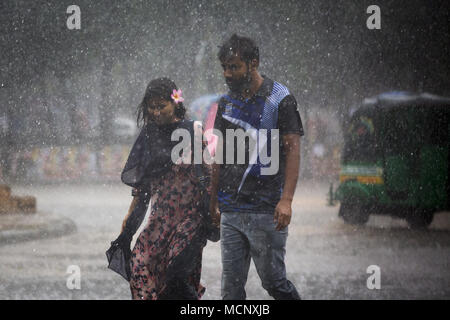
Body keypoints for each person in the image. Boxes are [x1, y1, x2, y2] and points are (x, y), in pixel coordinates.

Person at [209, 34, 304, 300]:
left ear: (254, 63)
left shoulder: (279, 98)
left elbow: (293, 151)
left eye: (234, 66)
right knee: (230, 292)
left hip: (266, 208)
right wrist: (213, 201)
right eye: (224, 67)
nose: (228, 73)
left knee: (274, 283)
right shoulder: (226, 103)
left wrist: (286, 200)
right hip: (230, 209)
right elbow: (219, 154)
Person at [121, 77, 211, 300]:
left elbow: (210, 177)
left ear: (175, 103)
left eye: (162, 106)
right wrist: (130, 217)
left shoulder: (193, 131)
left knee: (176, 276)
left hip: (190, 220)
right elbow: (143, 185)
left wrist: (215, 211)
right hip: (160, 219)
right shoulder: (148, 135)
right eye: (151, 107)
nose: (156, 112)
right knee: (140, 265)